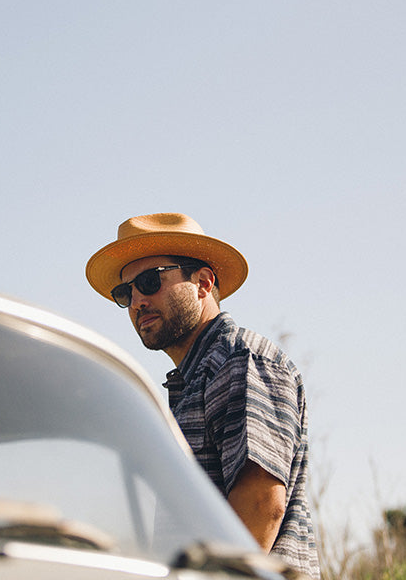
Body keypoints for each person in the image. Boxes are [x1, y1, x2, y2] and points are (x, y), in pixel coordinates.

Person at [86, 212, 319, 578]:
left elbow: (261, 504)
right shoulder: (192, 380)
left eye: (149, 282)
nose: (136, 302)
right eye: (124, 292)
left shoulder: (239, 359)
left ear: (204, 283)